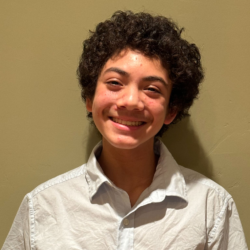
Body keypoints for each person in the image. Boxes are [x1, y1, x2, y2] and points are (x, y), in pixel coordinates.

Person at [2, 10, 247, 250]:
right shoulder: (42, 207)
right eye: (114, 83)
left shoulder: (210, 207)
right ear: (90, 98)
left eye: (152, 89)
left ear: (171, 110)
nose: (130, 101)